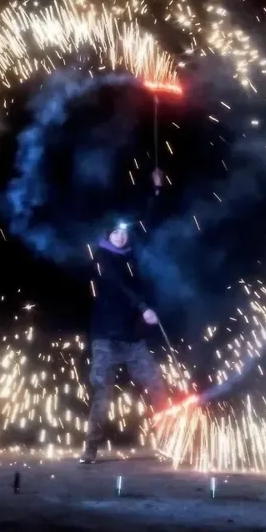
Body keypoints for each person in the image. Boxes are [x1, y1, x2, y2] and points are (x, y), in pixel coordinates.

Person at [80, 168, 168, 464]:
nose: (120, 236)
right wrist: (144, 308)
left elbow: (147, 223)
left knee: (156, 385)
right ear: (108, 235)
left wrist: (156, 190)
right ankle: (90, 449)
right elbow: (117, 285)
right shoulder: (102, 258)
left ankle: (171, 440)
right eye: (115, 233)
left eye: (123, 233)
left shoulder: (130, 254)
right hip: (105, 338)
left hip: (131, 339)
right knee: (102, 394)